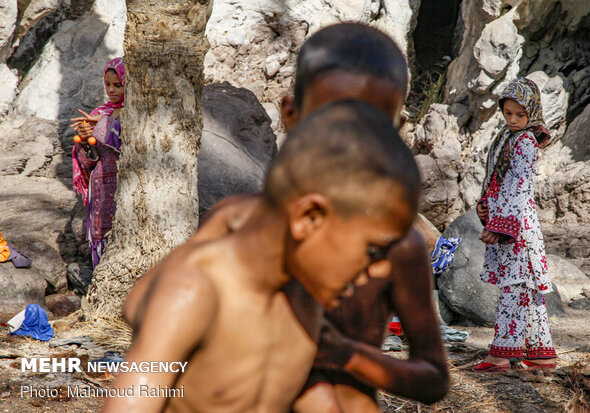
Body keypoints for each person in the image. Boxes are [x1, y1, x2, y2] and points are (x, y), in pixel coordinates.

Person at [124, 23, 449, 413]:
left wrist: (344, 355)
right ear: (292, 116)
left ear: (395, 132)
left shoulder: (393, 251)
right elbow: (141, 306)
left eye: (371, 125)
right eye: (331, 120)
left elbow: (431, 378)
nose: (347, 141)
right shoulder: (237, 228)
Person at [101, 100, 421, 413]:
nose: (375, 273)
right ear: (309, 218)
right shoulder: (198, 290)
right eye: (371, 251)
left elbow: (301, 392)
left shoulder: (308, 304)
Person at [473, 77, 557, 372]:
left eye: (520, 114)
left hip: (516, 227)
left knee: (514, 285)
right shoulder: (506, 139)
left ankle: (502, 354)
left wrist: (500, 226)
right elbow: (498, 181)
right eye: (508, 113)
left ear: (532, 112)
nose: (513, 119)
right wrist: (484, 204)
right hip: (509, 221)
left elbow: (519, 187)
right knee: (527, 286)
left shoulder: (525, 142)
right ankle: (540, 353)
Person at [71, 57, 125, 268]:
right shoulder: (100, 113)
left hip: (126, 187)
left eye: (118, 85)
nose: (111, 90)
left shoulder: (137, 113)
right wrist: (84, 141)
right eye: (108, 85)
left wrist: (101, 124)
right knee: (102, 241)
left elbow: (126, 141)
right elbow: (88, 162)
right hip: (102, 188)